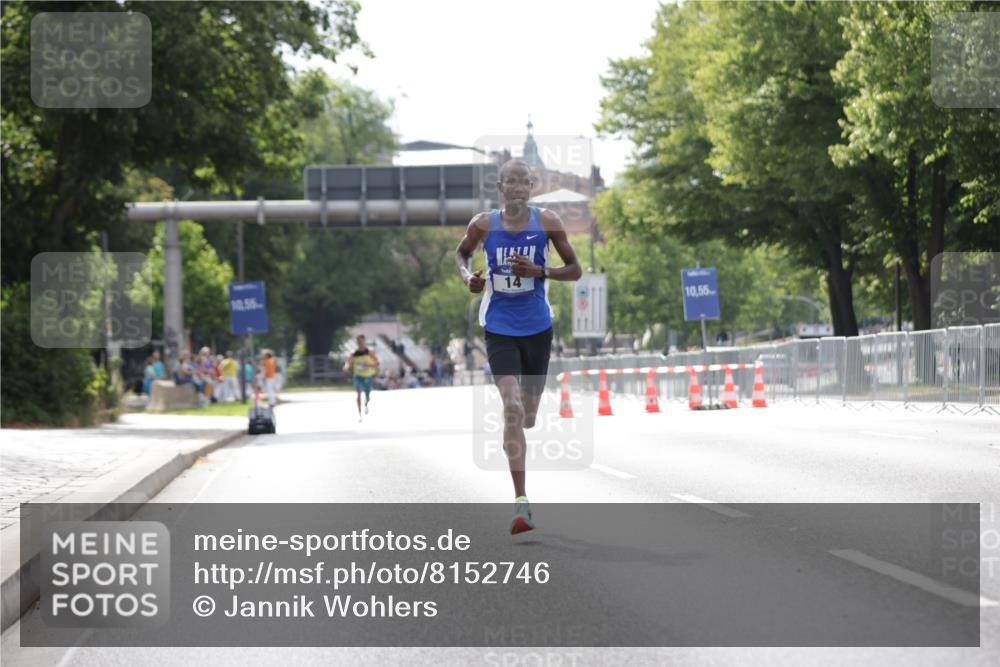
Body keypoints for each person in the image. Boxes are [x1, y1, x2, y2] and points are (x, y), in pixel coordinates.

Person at [455, 158, 582, 534]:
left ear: (531, 187)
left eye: (523, 183)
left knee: (527, 414)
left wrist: (541, 271)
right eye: (510, 182)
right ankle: (521, 503)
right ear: (501, 187)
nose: (516, 188)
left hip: (538, 327)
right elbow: (461, 253)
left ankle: (526, 416)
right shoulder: (482, 224)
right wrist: (468, 278)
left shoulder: (548, 222)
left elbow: (574, 270)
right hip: (499, 326)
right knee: (510, 408)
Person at [343, 335, 379, 421]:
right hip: (358, 376)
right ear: (357, 342)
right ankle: (360, 415)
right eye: (359, 342)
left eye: (362, 341)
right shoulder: (354, 353)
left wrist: (369, 365)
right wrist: (346, 367)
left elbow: (376, 363)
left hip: (368, 376)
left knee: (367, 396)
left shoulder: (370, 352)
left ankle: (366, 404)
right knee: (358, 393)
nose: (360, 343)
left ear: (364, 342)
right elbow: (348, 362)